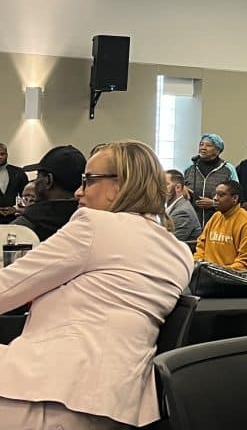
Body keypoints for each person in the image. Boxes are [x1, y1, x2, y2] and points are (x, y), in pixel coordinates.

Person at [0, 140, 193, 428]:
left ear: (121, 184)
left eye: (88, 180)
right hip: (122, 404)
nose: (79, 191)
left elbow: (6, 289)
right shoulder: (179, 253)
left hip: (50, 393)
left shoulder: (94, 226)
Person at [13, 145, 84, 241]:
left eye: (38, 176)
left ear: (48, 181)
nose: (35, 182)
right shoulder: (89, 221)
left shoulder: (22, 228)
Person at [192, 181, 247, 270]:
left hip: (229, 279)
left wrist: (220, 273)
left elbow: (245, 262)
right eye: (215, 194)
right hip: (205, 273)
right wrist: (197, 262)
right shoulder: (216, 216)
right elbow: (201, 245)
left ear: (234, 198)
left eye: (221, 195)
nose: (215, 198)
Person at [182, 133, 237, 228]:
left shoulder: (227, 169)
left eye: (208, 145)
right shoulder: (190, 167)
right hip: (192, 223)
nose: (203, 148)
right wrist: (183, 188)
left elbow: (236, 197)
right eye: (201, 144)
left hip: (219, 223)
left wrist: (214, 203)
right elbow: (179, 188)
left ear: (217, 150)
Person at [165, 169, 201, 242]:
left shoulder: (182, 212)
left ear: (178, 187)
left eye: (166, 184)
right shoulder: (172, 207)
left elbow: (169, 244)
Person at [0, 144, 28, 224]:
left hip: (13, 218)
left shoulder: (18, 172)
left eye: (2, 154)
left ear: (7, 155)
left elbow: (26, 195)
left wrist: (16, 208)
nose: (0, 157)